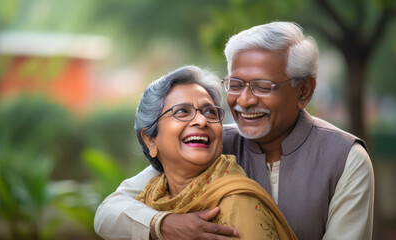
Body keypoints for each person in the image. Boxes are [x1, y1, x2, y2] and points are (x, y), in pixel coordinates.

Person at [94, 21, 374, 240]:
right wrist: (163, 225)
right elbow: (109, 211)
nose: (245, 100)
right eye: (236, 85)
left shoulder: (345, 159)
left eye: (263, 86)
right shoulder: (212, 145)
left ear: (304, 91)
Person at [132, 65, 297, 239]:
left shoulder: (237, 203)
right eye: (182, 111)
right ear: (150, 139)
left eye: (210, 112)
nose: (202, 121)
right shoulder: (149, 198)